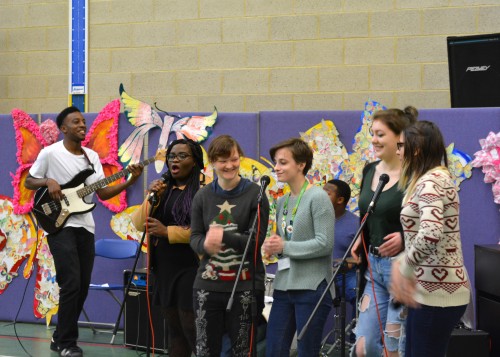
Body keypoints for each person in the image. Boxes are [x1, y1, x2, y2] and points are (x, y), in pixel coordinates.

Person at [24, 106, 144, 357]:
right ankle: (68, 343)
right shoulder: (50, 153)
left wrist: (130, 180)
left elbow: (101, 193)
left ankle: (59, 337)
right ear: (63, 129)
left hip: (85, 226)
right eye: (75, 122)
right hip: (59, 225)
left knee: (81, 285)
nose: (82, 125)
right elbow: (29, 181)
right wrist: (48, 181)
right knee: (71, 283)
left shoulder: (91, 157)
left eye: (83, 121)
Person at [391, 121, 470, 357]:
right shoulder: (433, 178)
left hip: (438, 296)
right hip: (431, 291)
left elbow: (431, 233)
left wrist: (404, 266)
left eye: (401, 145)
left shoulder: (431, 182)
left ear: (416, 149)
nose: (397, 151)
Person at [190, 134, 269, 357]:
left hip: (246, 287)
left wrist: (222, 235)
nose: (229, 165)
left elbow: (255, 243)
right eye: (222, 161)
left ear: (240, 158)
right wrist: (205, 244)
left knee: (243, 351)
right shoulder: (202, 196)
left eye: (234, 159)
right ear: (212, 163)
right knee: (205, 350)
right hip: (206, 286)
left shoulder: (256, 194)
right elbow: (194, 238)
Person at [350, 106, 418, 357]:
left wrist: (404, 236)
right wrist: (361, 236)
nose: (374, 140)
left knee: (393, 346)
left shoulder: (414, 173)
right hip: (374, 267)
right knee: (363, 347)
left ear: (399, 137)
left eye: (380, 134)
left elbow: (429, 221)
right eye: (372, 133)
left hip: (402, 268)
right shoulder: (370, 170)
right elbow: (370, 212)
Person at [131, 138, 204, 357]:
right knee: (175, 332)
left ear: (195, 162)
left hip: (191, 267)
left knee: (192, 328)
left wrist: (167, 232)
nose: (175, 160)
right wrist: (151, 198)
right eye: (172, 156)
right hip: (164, 268)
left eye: (183, 156)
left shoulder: (203, 191)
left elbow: (204, 231)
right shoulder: (163, 190)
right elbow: (137, 223)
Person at [263, 138, 335, 357]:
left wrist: (285, 245)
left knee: (306, 351)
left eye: (283, 162)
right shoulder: (283, 201)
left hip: (312, 287)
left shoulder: (318, 197)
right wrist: (275, 246)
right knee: (274, 349)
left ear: (301, 164)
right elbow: (288, 241)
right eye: (276, 162)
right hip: (284, 285)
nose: (276, 167)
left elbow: (324, 243)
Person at [323, 179, 359, 306]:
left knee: (359, 292)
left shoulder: (356, 224)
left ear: (340, 200)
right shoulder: (314, 219)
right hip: (319, 275)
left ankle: (358, 325)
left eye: (326, 193)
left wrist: (348, 262)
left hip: (345, 275)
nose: (320, 196)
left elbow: (362, 257)